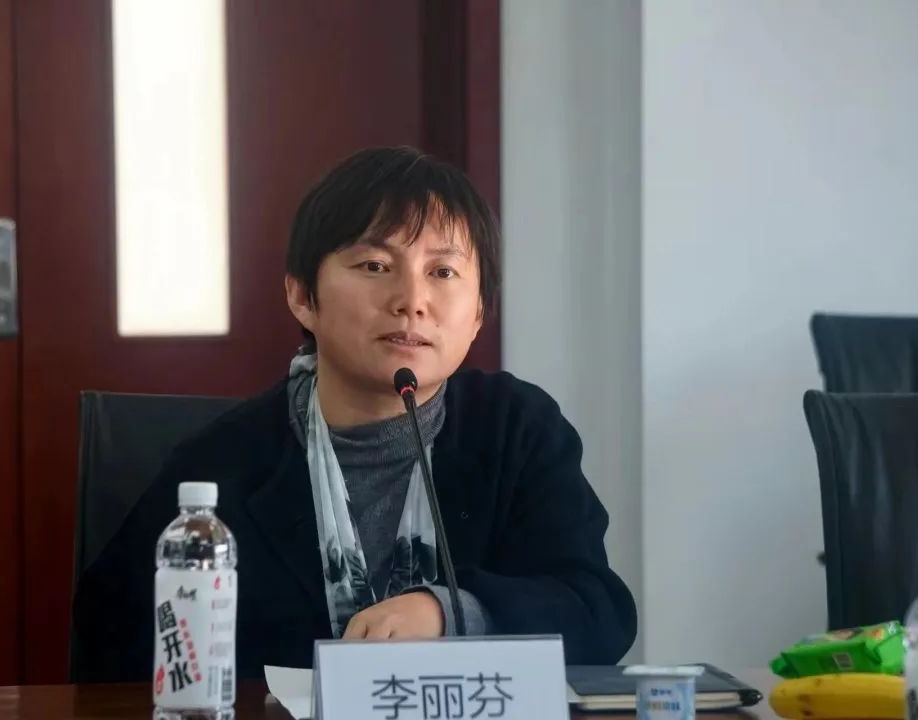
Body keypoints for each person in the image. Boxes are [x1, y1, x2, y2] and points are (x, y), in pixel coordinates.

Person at [72, 146, 637, 681]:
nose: (411, 299)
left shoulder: (517, 429)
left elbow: (597, 611)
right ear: (302, 296)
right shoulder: (219, 464)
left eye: (443, 272)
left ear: (478, 314)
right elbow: (110, 645)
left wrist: (449, 613)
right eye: (374, 265)